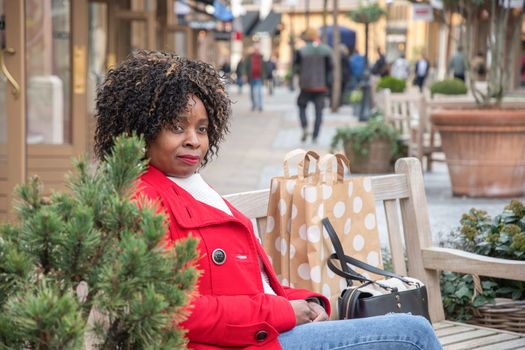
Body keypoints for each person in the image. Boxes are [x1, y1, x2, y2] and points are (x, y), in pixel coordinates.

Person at [94, 50, 442, 350]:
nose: (194, 141)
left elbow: (250, 287)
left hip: (265, 334)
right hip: (243, 342)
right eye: (176, 126)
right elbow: (174, 310)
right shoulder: (143, 199)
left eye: (201, 129)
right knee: (412, 333)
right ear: (142, 127)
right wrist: (284, 312)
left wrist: (305, 301)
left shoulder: (192, 186)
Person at [294, 28, 333, 143]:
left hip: (306, 85)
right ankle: (315, 135)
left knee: (301, 106)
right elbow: (331, 68)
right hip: (321, 86)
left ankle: (305, 126)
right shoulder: (326, 50)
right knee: (319, 112)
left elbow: (296, 67)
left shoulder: (301, 51)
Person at [244, 44, 265, 111]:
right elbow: (245, 66)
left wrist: (264, 77)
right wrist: (244, 75)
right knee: (252, 93)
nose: (257, 50)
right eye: (256, 49)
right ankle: (253, 105)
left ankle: (260, 105)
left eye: (258, 49)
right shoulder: (249, 57)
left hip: (259, 77)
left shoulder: (261, 57)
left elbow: (265, 68)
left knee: (259, 92)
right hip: (251, 77)